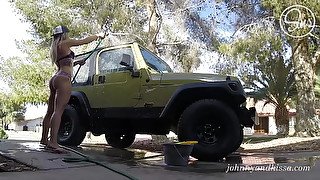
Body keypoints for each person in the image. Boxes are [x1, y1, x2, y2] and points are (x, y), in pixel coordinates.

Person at [40, 25, 104, 152]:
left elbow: (64, 63)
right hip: (64, 79)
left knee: (50, 111)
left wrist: (76, 62)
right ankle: (53, 142)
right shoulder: (66, 42)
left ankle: (44, 139)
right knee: (59, 110)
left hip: (56, 78)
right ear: (64, 34)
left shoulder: (56, 47)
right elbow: (84, 41)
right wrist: (98, 36)